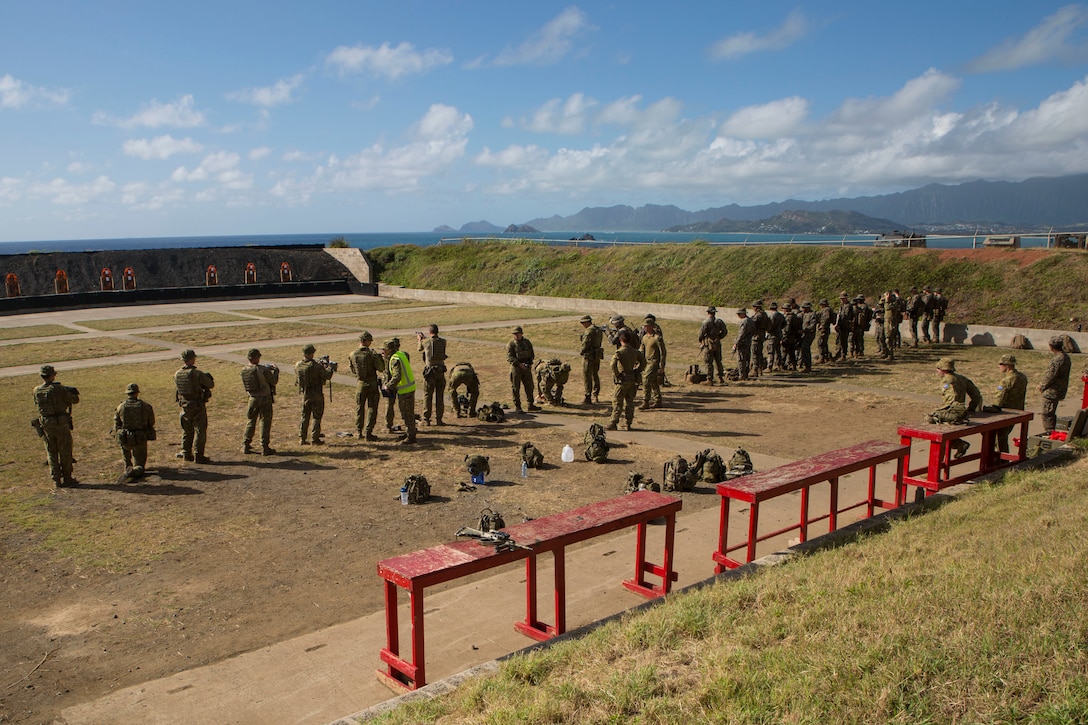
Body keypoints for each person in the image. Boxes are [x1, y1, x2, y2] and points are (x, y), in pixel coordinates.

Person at [33, 364, 80, 487]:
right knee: (65, 450)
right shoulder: (59, 389)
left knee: (51, 451)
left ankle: (56, 479)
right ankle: (67, 478)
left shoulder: (37, 390)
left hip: (46, 424)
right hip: (60, 423)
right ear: (52, 376)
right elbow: (74, 400)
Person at [926, 357, 983, 458]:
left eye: (938, 368)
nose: (937, 371)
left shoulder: (947, 381)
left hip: (953, 413)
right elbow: (976, 395)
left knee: (931, 419)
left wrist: (941, 412)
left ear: (943, 369)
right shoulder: (962, 378)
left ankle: (957, 445)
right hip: (961, 413)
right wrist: (970, 409)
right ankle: (958, 444)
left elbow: (951, 401)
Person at [174, 349, 214, 463]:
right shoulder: (197, 373)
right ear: (192, 359)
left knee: (187, 430)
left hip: (184, 405)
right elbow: (210, 384)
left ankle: (186, 453)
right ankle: (198, 454)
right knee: (200, 430)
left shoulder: (177, 374)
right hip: (197, 405)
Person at [987, 354, 1028, 454]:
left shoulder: (1006, 380)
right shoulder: (1022, 377)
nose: (999, 366)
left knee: (1000, 437)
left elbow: (999, 399)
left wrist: (993, 408)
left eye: (1001, 364)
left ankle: (1001, 460)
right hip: (1018, 410)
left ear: (1008, 365)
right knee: (1004, 435)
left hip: (1006, 412)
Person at [295, 343, 335, 445]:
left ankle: (302, 438)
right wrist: (330, 367)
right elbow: (327, 375)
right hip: (316, 394)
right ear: (311, 353)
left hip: (305, 394)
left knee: (305, 416)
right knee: (317, 417)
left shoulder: (298, 365)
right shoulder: (315, 366)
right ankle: (315, 438)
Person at [241, 348, 279, 455]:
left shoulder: (244, 370)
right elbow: (273, 381)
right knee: (265, 422)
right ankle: (264, 446)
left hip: (252, 398)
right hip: (265, 398)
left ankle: (245, 444)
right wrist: (276, 371)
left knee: (251, 421)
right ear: (257, 358)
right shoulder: (263, 370)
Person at [113, 382, 155, 478]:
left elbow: (116, 424)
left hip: (125, 439)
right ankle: (134, 471)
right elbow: (151, 422)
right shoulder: (146, 406)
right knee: (140, 465)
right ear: (137, 393)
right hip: (140, 438)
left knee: (126, 455)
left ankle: (128, 467)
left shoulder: (120, 407)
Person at [607, 328, 646, 431]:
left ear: (621, 340)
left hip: (622, 379)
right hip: (632, 378)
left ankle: (614, 422)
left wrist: (617, 374)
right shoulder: (635, 352)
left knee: (617, 401)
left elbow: (612, 364)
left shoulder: (620, 352)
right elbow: (643, 362)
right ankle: (628, 423)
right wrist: (637, 370)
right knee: (630, 402)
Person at [381, 337, 418, 444]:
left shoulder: (394, 359)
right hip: (409, 388)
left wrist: (388, 386)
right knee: (409, 413)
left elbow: (397, 376)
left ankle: (411, 436)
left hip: (404, 390)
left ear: (389, 349)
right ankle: (410, 432)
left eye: (384, 349)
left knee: (407, 414)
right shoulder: (401, 354)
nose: (383, 351)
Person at [349, 331, 384, 441]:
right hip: (372, 384)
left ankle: (359, 431)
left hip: (360, 384)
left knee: (359, 408)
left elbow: (353, 370)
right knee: (372, 408)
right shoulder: (372, 354)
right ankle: (369, 431)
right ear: (367, 341)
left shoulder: (353, 354)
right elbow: (381, 368)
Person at [1039, 336, 1072, 433]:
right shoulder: (1066, 357)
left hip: (1052, 391)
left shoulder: (1057, 359)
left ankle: (1049, 432)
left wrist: (1042, 386)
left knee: (1047, 413)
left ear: (1051, 346)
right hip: (1060, 389)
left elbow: (1051, 375)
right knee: (1051, 412)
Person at [417, 324, 448, 426]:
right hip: (440, 371)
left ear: (430, 332)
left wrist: (420, 339)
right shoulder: (443, 341)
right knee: (440, 396)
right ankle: (439, 419)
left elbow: (419, 348)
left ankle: (426, 419)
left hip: (430, 373)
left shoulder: (425, 342)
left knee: (427, 395)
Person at [506, 326, 541, 413]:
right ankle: (518, 407)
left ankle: (530, 405)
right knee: (515, 388)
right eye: (515, 334)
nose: (516, 336)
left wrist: (528, 363)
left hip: (526, 368)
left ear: (521, 334)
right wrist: (519, 364)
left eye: (518, 334)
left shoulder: (527, 342)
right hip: (516, 369)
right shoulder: (511, 344)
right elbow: (510, 358)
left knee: (529, 387)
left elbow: (531, 354)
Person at [639, 317, 666, 409]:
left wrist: (662, 366)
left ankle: (645, 401)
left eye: (647, 326)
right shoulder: (645, 338)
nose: (645, 328)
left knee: (646, 380)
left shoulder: (657, 338)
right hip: (647, 362)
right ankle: (658, 400)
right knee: (653, 381)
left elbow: (663, 352)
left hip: (654, 362)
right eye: (644, 326)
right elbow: (641, 350)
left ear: (651, 326)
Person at [698, 306, 728, 385]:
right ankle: (720, 378)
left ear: (708, 313)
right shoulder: (719, 321)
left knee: (708, 362)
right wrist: (718, 337)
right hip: (717, 343)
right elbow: (725, 331)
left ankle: (709, 379)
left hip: (709, 343)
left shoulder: (706, 322)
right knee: (718, 361)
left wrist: (701, 341)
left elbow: (701, 334)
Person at [578, 315, 604, 404]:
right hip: (596, 355)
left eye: (583, 323)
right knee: (595, 375)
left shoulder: (589, 331)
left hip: (589, 356)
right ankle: (595, 394)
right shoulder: (598, 330)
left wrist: (581, 351)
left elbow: (585, 344)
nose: (582, 325)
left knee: (587, 376)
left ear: (587, 322)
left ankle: (588, 396)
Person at [731, 308, 756, 380]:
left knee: (741, 359)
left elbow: (741, 334)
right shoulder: (751, 321)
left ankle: (742, 375)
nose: (738, 316)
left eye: (739, 314)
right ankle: (746, 374)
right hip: (748, 341)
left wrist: (736, 343)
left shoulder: (744, 322)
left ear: (743, 314)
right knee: (747, 358)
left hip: (742, 342)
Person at [750, 301, 769, 378]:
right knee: (760, 353)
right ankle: (760, 369)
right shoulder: (765, 314)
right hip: (762, 335)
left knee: (755, 353)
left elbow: (753, 324)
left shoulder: (758, 316)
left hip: (756, 336)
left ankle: (755, 370)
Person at [834, 292, 854, 361]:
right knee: (839, 340)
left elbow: (846, 317)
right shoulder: (842, 306)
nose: (842, 300)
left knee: (843, 341)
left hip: (845, 326)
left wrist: (840, 325)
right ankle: (838, 354)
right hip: (840, 326)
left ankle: (843, 355)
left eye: (843, 298)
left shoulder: (848, 306)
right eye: (841, 299)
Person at [766, 302, 786, 371]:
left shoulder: (772, 315)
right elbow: (784, 324)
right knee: (778, 351)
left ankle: (769, 366)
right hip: (779, 334)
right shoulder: (781, 315)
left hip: (772, 335)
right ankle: (778, 365)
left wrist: (768, 331)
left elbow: (770, 326)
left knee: (771, 351)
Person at [799, 301, 816, 372]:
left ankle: (808, 366)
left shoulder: (812, 315)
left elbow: (812, 325)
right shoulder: (803, 314)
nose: (802, 309)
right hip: (803, 334)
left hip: (809, 334)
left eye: (803, 307)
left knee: (805, 348)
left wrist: (804, 330)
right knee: (802, 349)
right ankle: (802, 364)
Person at [815, 299, 834, 363]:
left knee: (820, 343)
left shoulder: (826, 310)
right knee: (824, 343)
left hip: (824, 329)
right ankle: (826, 357)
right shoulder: (827, 309)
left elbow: (826, 318)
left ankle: (822, 357)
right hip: (825, 328)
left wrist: (822, 326)